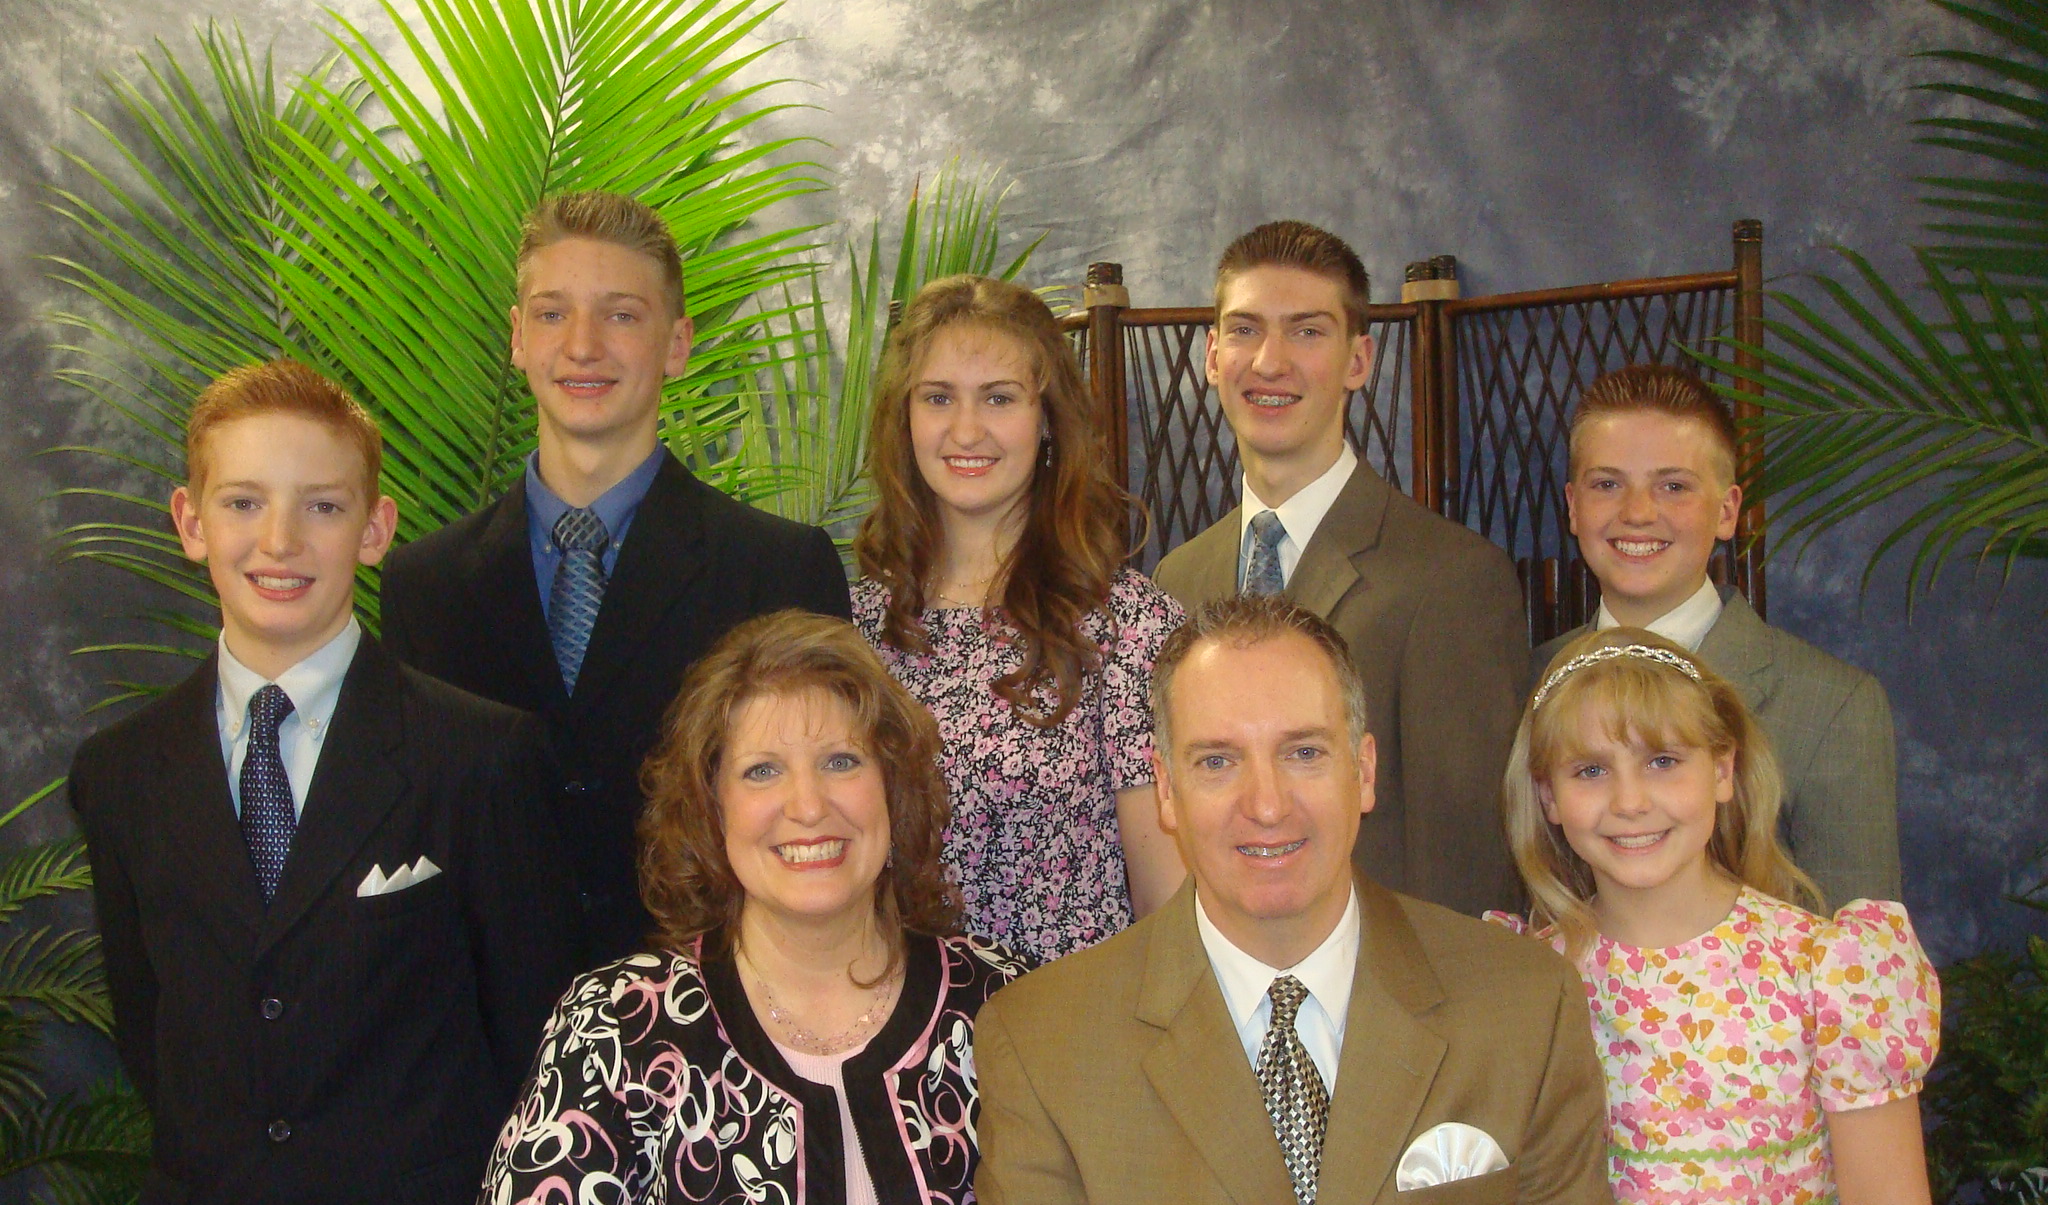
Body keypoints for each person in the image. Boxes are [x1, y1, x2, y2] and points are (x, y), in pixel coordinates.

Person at [962, 594, 1635, 1205]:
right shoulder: (1047, 1042)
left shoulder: (1521, 1006)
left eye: (1304, 752)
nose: (1267, 803)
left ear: (1365, 770)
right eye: (1216, 761)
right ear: (1164, 790)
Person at [67, 360, 580, 1205]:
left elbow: (535, 1041)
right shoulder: (122, 775)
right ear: (190, 522)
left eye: (323, 504)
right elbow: (156, 1034)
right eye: (243, 501)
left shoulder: (475, 759)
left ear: (377, 528)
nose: (279, 539)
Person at [463, 610, 1024, 1205]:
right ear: (710, 805)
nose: (808, 805)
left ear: (895, 786)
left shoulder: (1008, 1017)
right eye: (762, 771)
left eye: (841, 761)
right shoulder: (620, 1029)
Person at [1494, 629, 1938, 1205]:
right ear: (1547, 797)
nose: (1630, 801)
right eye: (1590, 771)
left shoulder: (1824, 971)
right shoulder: (1530, 985)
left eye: (1664, 761)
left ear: (1725, 770)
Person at [382, 190, 852, 965]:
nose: (583, 346)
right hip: (486, 1027)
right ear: (518, 338)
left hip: (710, 1011)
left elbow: (821, 820)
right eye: (553, 313)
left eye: (622, 315)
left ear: (677, 343)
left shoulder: (778, 570)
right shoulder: (424, 587)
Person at [1153, 220, 1527, 918]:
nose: (1270, 362)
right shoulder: (1177, 579)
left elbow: (1467, 864)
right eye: (1245, 330)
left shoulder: (1453, 579)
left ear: (1359, 360)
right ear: (1212, 356)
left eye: (1307, 331)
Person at [852, 274, 1185, 966]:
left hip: (1067, 1019)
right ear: (903, 420)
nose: (965, 430)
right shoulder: (851, 630)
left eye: (999, 398)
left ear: (1047, 420)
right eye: (937, 397)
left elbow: (1171, 913)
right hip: (889, 1025)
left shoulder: (1130, 629)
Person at [1540, 362, 1901, 911]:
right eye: (1607, 484)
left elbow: (1859, 945)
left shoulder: (1833, 705)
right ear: (1572, 507)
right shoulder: (1529, 682)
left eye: (1673, 486)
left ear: (1728, 511)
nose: (1637, 513)